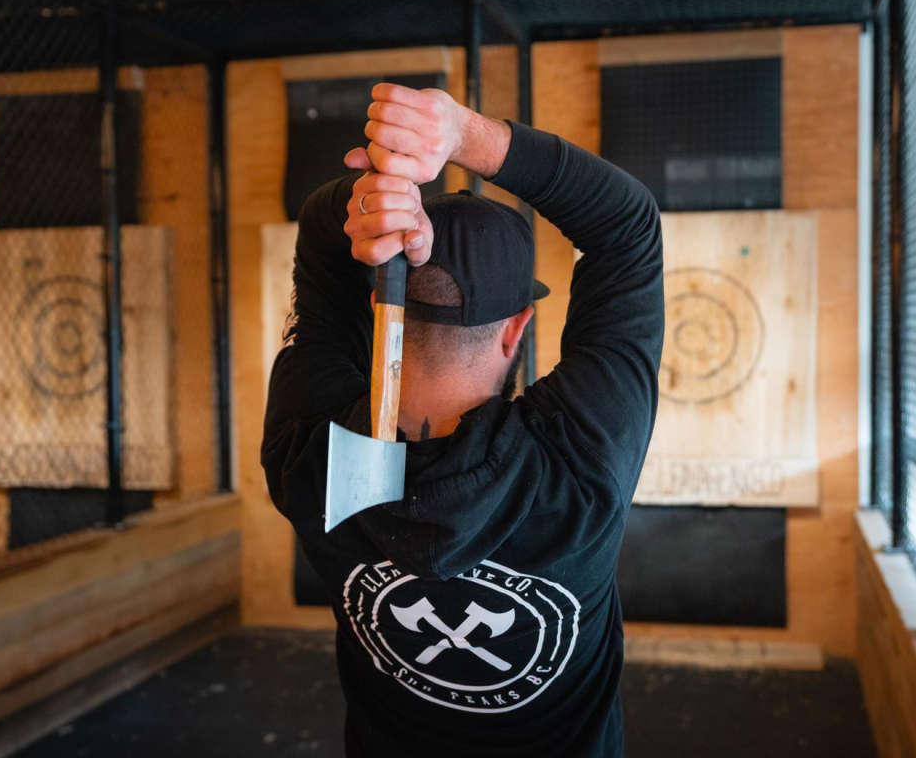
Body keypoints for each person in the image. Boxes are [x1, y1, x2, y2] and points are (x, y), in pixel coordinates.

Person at [261, 82, 663, 757]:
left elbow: (320, 247)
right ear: (518, 330)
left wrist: (365, 204)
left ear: (377, 307)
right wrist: (465, 136)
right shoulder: (578, 467)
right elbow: (626, 227)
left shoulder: (310, 457)